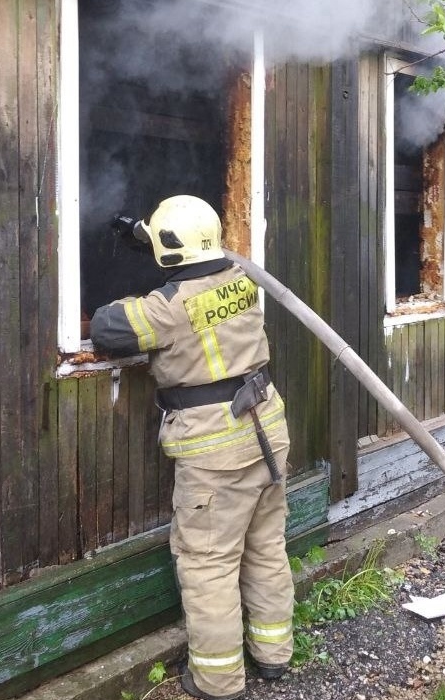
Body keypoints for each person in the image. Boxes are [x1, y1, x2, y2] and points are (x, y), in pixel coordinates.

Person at [90, 195, 294, 700]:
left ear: (172, 250)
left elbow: (106, 327)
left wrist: (142, 278)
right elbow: (199, 277)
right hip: (266, 431)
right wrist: (150, 240)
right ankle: (274, 656)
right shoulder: (243, 280)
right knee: (265, 547)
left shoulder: (168, 309)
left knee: (209, 563)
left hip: (215, 449)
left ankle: (218, 681)